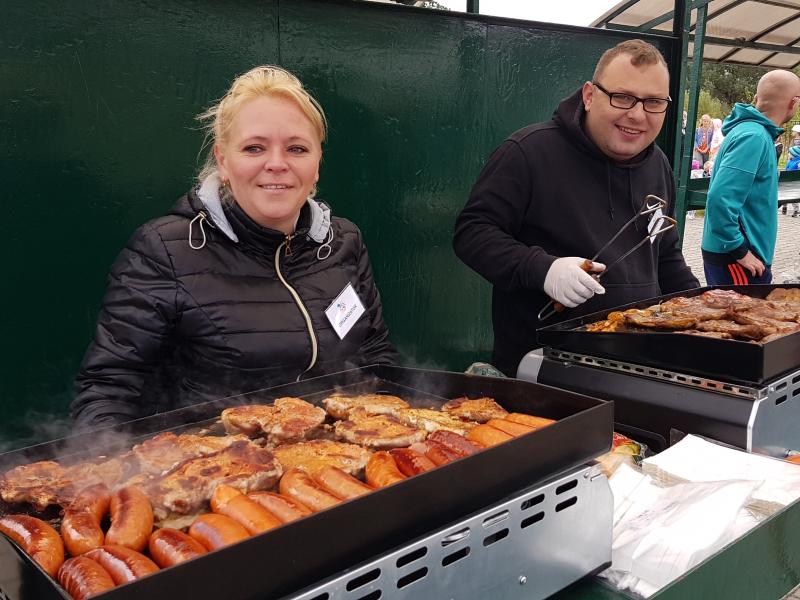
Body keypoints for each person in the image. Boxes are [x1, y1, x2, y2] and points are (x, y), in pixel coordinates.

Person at [72, 66, 397, 427]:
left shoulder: (344, 241)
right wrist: (112, 473)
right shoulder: (163, 249)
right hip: (211, 469)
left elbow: (376, 359)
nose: (277, 164)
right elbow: (108, 390)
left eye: (297, 148)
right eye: (254, 148)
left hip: (336, 462)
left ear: (318, 163)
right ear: (224, 161)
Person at [453, 39, 699, 377]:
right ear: (589, 95)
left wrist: (703, 309)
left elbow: (667, 258)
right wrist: (543, 269)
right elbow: (472, 233)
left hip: (642, 367)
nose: (637, 114)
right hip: (543, 369)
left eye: (653, 102)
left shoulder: (658, 165)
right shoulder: (528, 153)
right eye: (623, 97)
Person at [701, 69, 800, 285]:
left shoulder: (749, 132)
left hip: (737, 256)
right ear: (794, 103)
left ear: (756, 99)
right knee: (742, 318)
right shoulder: (754, 137)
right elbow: (720, 199)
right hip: (738, 259)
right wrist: (740, 250)